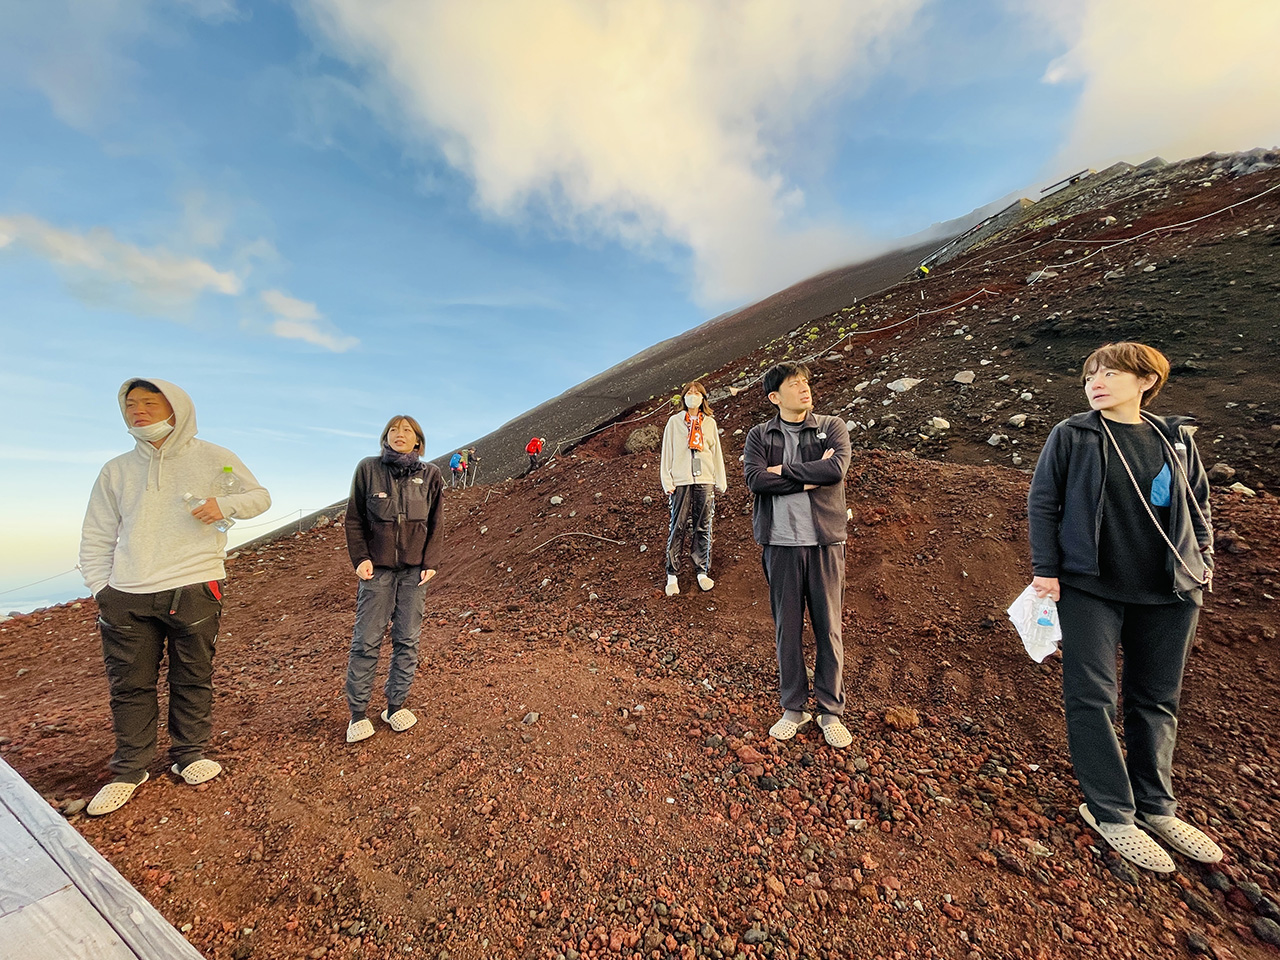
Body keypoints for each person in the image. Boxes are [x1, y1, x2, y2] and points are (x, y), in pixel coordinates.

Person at [1028, 342, 1222, 874]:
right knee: (1092, 696)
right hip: (1090, 587)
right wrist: (1046, 570)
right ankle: (1110, 809)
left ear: (1145, 382)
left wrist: (1202, 560)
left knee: (1156, 698)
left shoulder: (1174, 439)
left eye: (1111, 373)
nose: (1097, 381)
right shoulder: (1073, 435)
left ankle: (1156, 806)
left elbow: (1198, 503)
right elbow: (1043, 501)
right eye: (1091, 373)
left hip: (1169, 591)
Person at [79, 378, 271, 816]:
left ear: (177, 408)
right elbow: (97, 533)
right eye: (131, 404)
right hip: (127, 592)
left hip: (195, 583)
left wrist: (224, 507)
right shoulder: (116, 470)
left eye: (150, 403)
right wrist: (100, 589)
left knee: (192, 674)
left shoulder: (215, 457)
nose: (138, 411)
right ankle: (130, 768)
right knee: (129, 685)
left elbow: (259, 497)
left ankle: (189, 754)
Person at [743, 362, 853, 749]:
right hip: (781, 545)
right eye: (794, 384)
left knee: (829, 628)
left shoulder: (832, 426)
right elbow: (756, 479)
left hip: (825, 543)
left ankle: (830, 710)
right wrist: (809, 476)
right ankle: (793, 707)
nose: (804, 389)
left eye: (806, 382)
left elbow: (836, 469)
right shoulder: (760, 435)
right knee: (787, 630)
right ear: (775, 397)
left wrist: (785, 472)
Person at [343, 415, 444, 743]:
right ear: (385, 437)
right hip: (378, 571)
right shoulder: (368, 469)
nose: (399, 435)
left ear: (418, 440)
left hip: (414, 572)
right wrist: (360, 558)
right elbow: (354, 518)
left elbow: (437, 522)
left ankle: (395, 705)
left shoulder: (431, 475)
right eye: (393, 430)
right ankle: (357, 713)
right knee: (367, 640)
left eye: (407, 431)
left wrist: (430, 561)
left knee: (407, 640)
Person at [659, 380, 727, 595]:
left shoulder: (709, 423)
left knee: (703, 525)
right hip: (681, 480)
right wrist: (667, 481)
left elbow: (715, 453)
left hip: (704, 479)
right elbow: (667, 452)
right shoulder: (674, 422)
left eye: (697, 392)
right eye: (689, 392)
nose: (693, 395)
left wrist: (719, 479)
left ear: (703, 398)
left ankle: (701, 571)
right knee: (677, 526)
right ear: (683, 397)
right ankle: (672, 574)